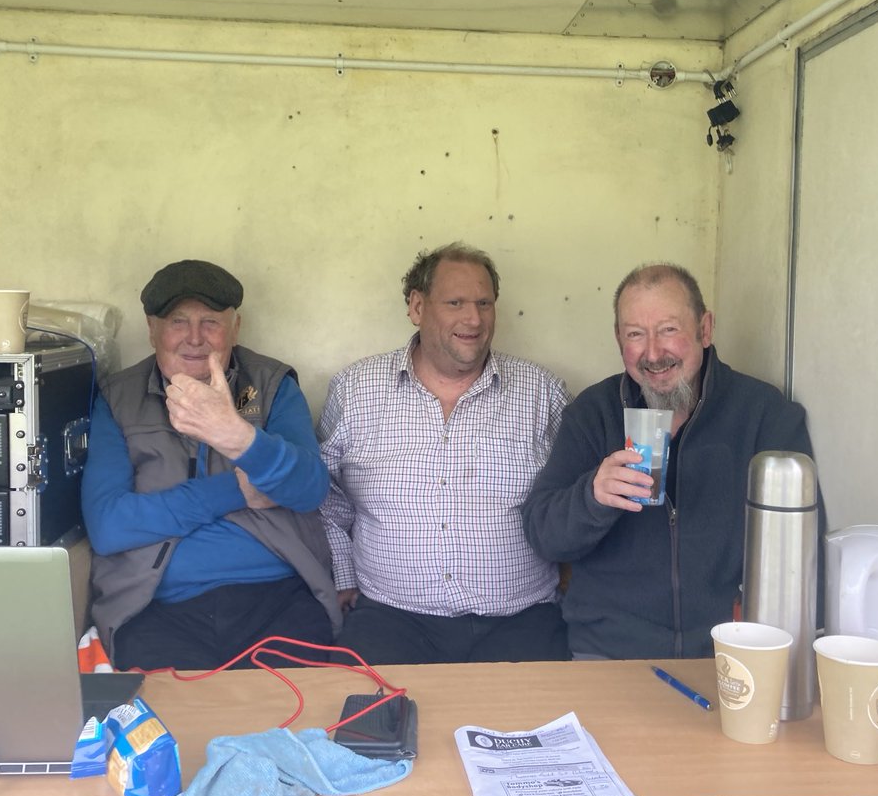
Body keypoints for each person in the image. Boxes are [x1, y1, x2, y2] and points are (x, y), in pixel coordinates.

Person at [520, 263, 823, 659]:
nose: (653, 353)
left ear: (705, 329)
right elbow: (543, 534)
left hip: (730, 653)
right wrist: (593, 496)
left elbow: (804, 551)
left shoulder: (764, 415)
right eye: (635, 334)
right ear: (618, 339)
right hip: (608, 654)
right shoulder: (593, 414)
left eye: (668, 330)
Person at [318, 242, 571, 664]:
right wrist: (343, 576)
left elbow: (573, 502)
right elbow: (326, 499)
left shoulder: (543, 393)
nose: (473, 319)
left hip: (522, 618)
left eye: (484, 303)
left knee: (540, 727)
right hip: (391, 618)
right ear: (417, 306)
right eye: (455, 302)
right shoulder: (355, 390)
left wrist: (571, 583)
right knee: (362, 725)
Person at [82, 259, 340, 671]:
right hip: (155, 606)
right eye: (178, 322)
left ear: (235, 328)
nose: (195, 338)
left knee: (292, 723)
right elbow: (109, 526)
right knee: (170, 726)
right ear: (152, 330)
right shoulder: (117, 399)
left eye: (211, 322)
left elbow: (310, 488)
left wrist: (238, 437)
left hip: (277, 598)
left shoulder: (271, 385)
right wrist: (236, 490)